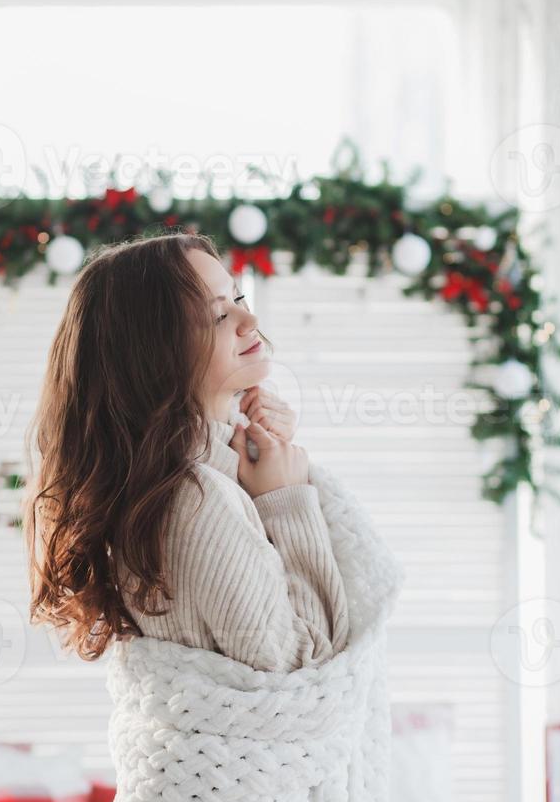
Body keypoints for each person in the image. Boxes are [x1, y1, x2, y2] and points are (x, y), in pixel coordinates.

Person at [23, 231, 349, 672]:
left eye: (238, 297)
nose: (248, 320)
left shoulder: (188, 478)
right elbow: (312, 670)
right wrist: (286, 499)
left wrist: (261, 452)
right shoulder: (197, 502)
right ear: (156, 356)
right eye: (217, 316)